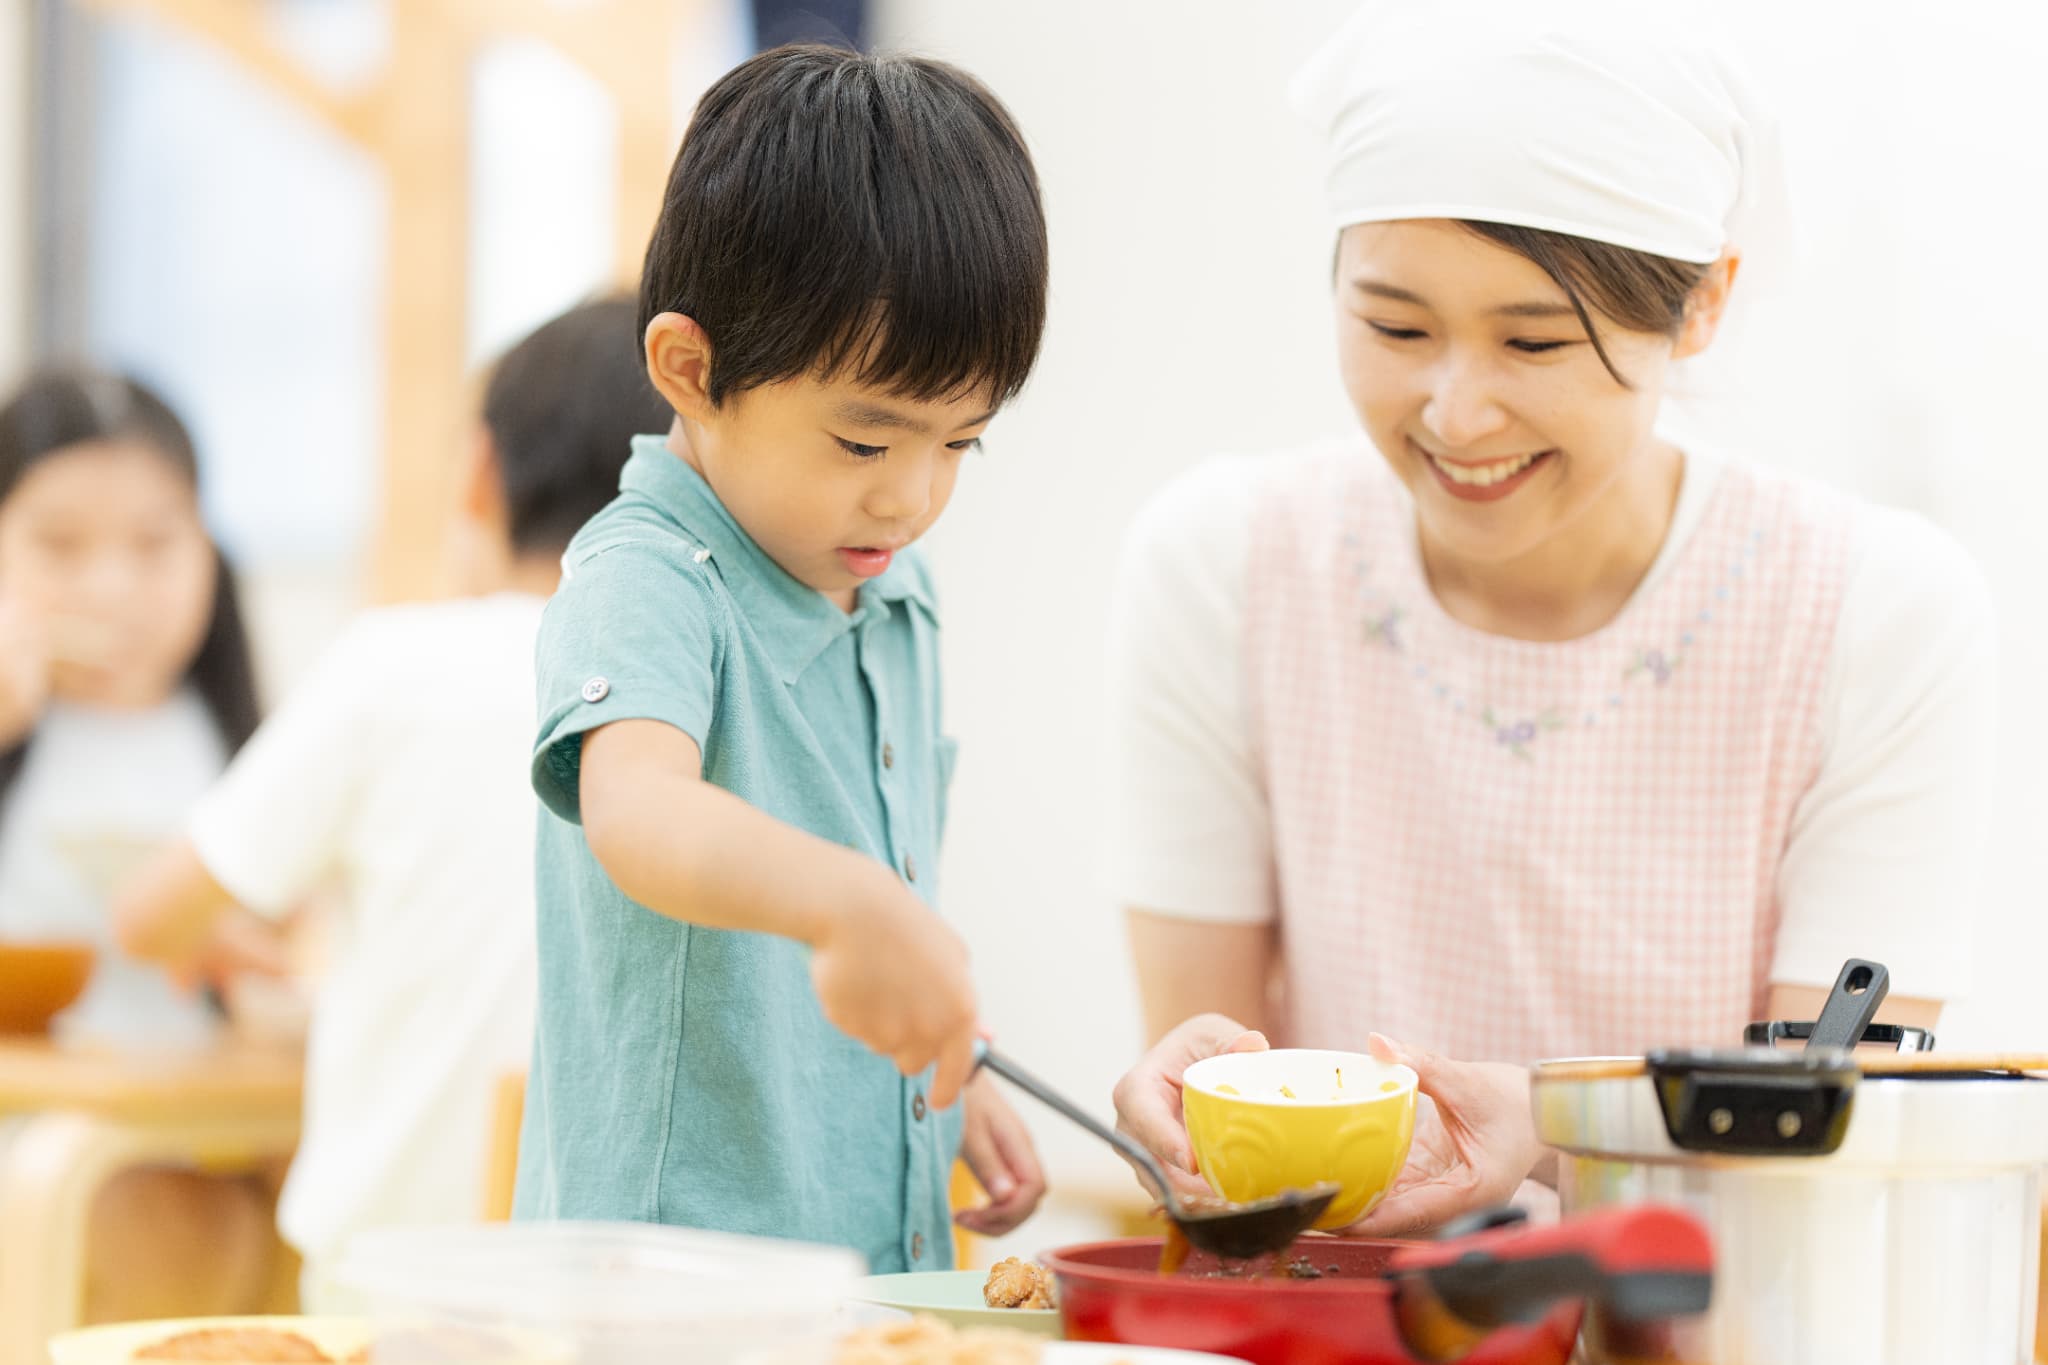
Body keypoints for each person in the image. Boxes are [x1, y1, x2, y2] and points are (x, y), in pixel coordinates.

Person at [1109, 0, 1994, 1235]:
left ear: (1701, 306)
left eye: (1532, 340)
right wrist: (1183, 1103)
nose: (1454, 412)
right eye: (1392, 325)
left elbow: (1832, 1152)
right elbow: (1203, 1112)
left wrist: (1559, 1131)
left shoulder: (1870, 611)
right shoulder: (1229, 565)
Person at [511, 44, 1050, 1273]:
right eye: (864, 441)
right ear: (690, 372)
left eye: (960, 443)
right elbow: (637, 813)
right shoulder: (648, 573)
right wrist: (850, 903)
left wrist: (940, 1084)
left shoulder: (891, 590)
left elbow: (860, 926)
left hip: (863, 1271)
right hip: (665, 1295)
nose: (911, 498)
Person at [113, 296, 669, 1304]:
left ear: (479, 475)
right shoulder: (693, 693)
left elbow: (149, 914)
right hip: (626, 1283)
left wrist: (226, 937)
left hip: (393, 1275)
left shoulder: (398, 663)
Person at [0, 365, 274, 1320]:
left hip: (197, 1139)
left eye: (155, 544)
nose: (112, 586)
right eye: (59, 546)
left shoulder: (245, 743)